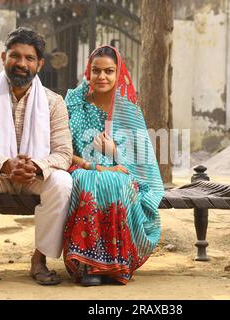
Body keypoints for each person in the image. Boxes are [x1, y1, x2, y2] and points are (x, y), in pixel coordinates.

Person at [0, 27, 73, 287]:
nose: (21, 64)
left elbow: (64, 153)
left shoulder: (53, 102)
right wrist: (5, 164)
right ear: (3, 57)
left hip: (34, 175)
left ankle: (39, 260)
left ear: (40, 64)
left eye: (29, 58)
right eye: (15, 56)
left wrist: (35, 166)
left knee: (63, 182)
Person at [63, 45, 164, 286]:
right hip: (82, 168)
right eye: (96, 71)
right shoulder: (74, 103)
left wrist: (115, 152)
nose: (102, 77)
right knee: (90, 181)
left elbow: (144, 161)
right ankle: (88, 265)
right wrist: (92, 165)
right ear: (88, 72)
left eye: (109, 71)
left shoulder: (129, 109)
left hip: (123, 172)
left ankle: (115, 265)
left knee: (117, 182)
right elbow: (62, 150)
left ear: (119, 74)